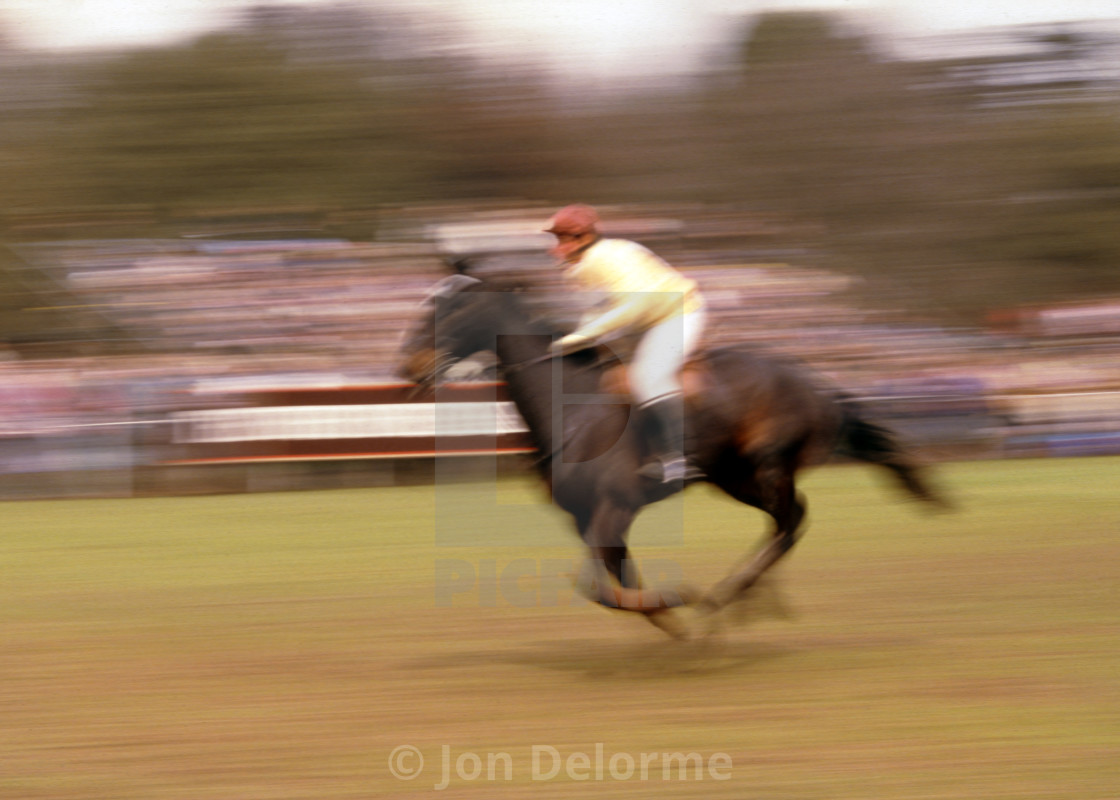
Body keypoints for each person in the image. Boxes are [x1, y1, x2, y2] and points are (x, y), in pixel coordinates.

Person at [544, 204, 708, 485]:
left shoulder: (606, 258)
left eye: (561, 238)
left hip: (677, 314)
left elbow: (635, 304)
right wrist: (579, 335)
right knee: (609, 379)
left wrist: (582, 336)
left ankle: (680, 460)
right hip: (646, 322)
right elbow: (600, 309)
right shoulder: (582, 266)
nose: (556, 246)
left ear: (581, 238)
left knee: (650, 379)